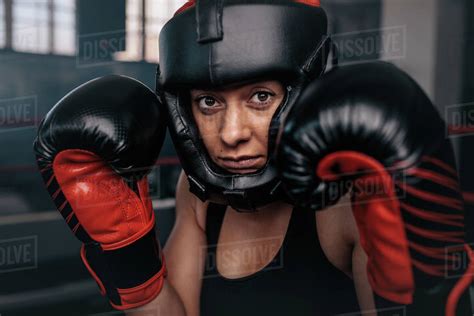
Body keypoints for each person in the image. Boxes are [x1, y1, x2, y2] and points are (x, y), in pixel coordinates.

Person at [33, 0, 473, 315]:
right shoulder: (198, 193)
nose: (231, 134)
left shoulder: (343, 205)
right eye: (208, 103)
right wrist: (125, 253)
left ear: (306, 92)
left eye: (260, 97)